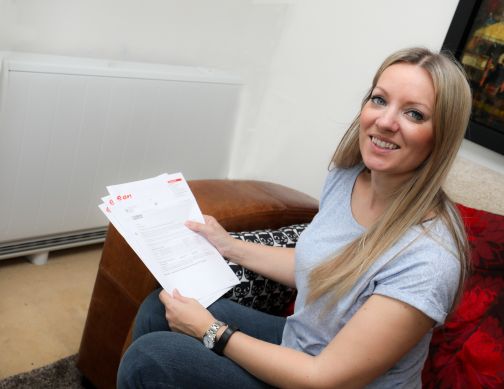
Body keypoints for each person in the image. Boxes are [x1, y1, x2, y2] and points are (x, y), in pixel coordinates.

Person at [117, 47, 472, 388]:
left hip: (319, 378)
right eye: (379, 99)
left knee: (150, 359)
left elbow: (323, 378)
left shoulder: (430, 258)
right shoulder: (347, 177)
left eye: (414, 114)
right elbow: (318, 268)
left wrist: (210, 330)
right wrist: (229, 246)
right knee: (158, 308)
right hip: (299, 345)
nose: (385, 121)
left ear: (440, 138)